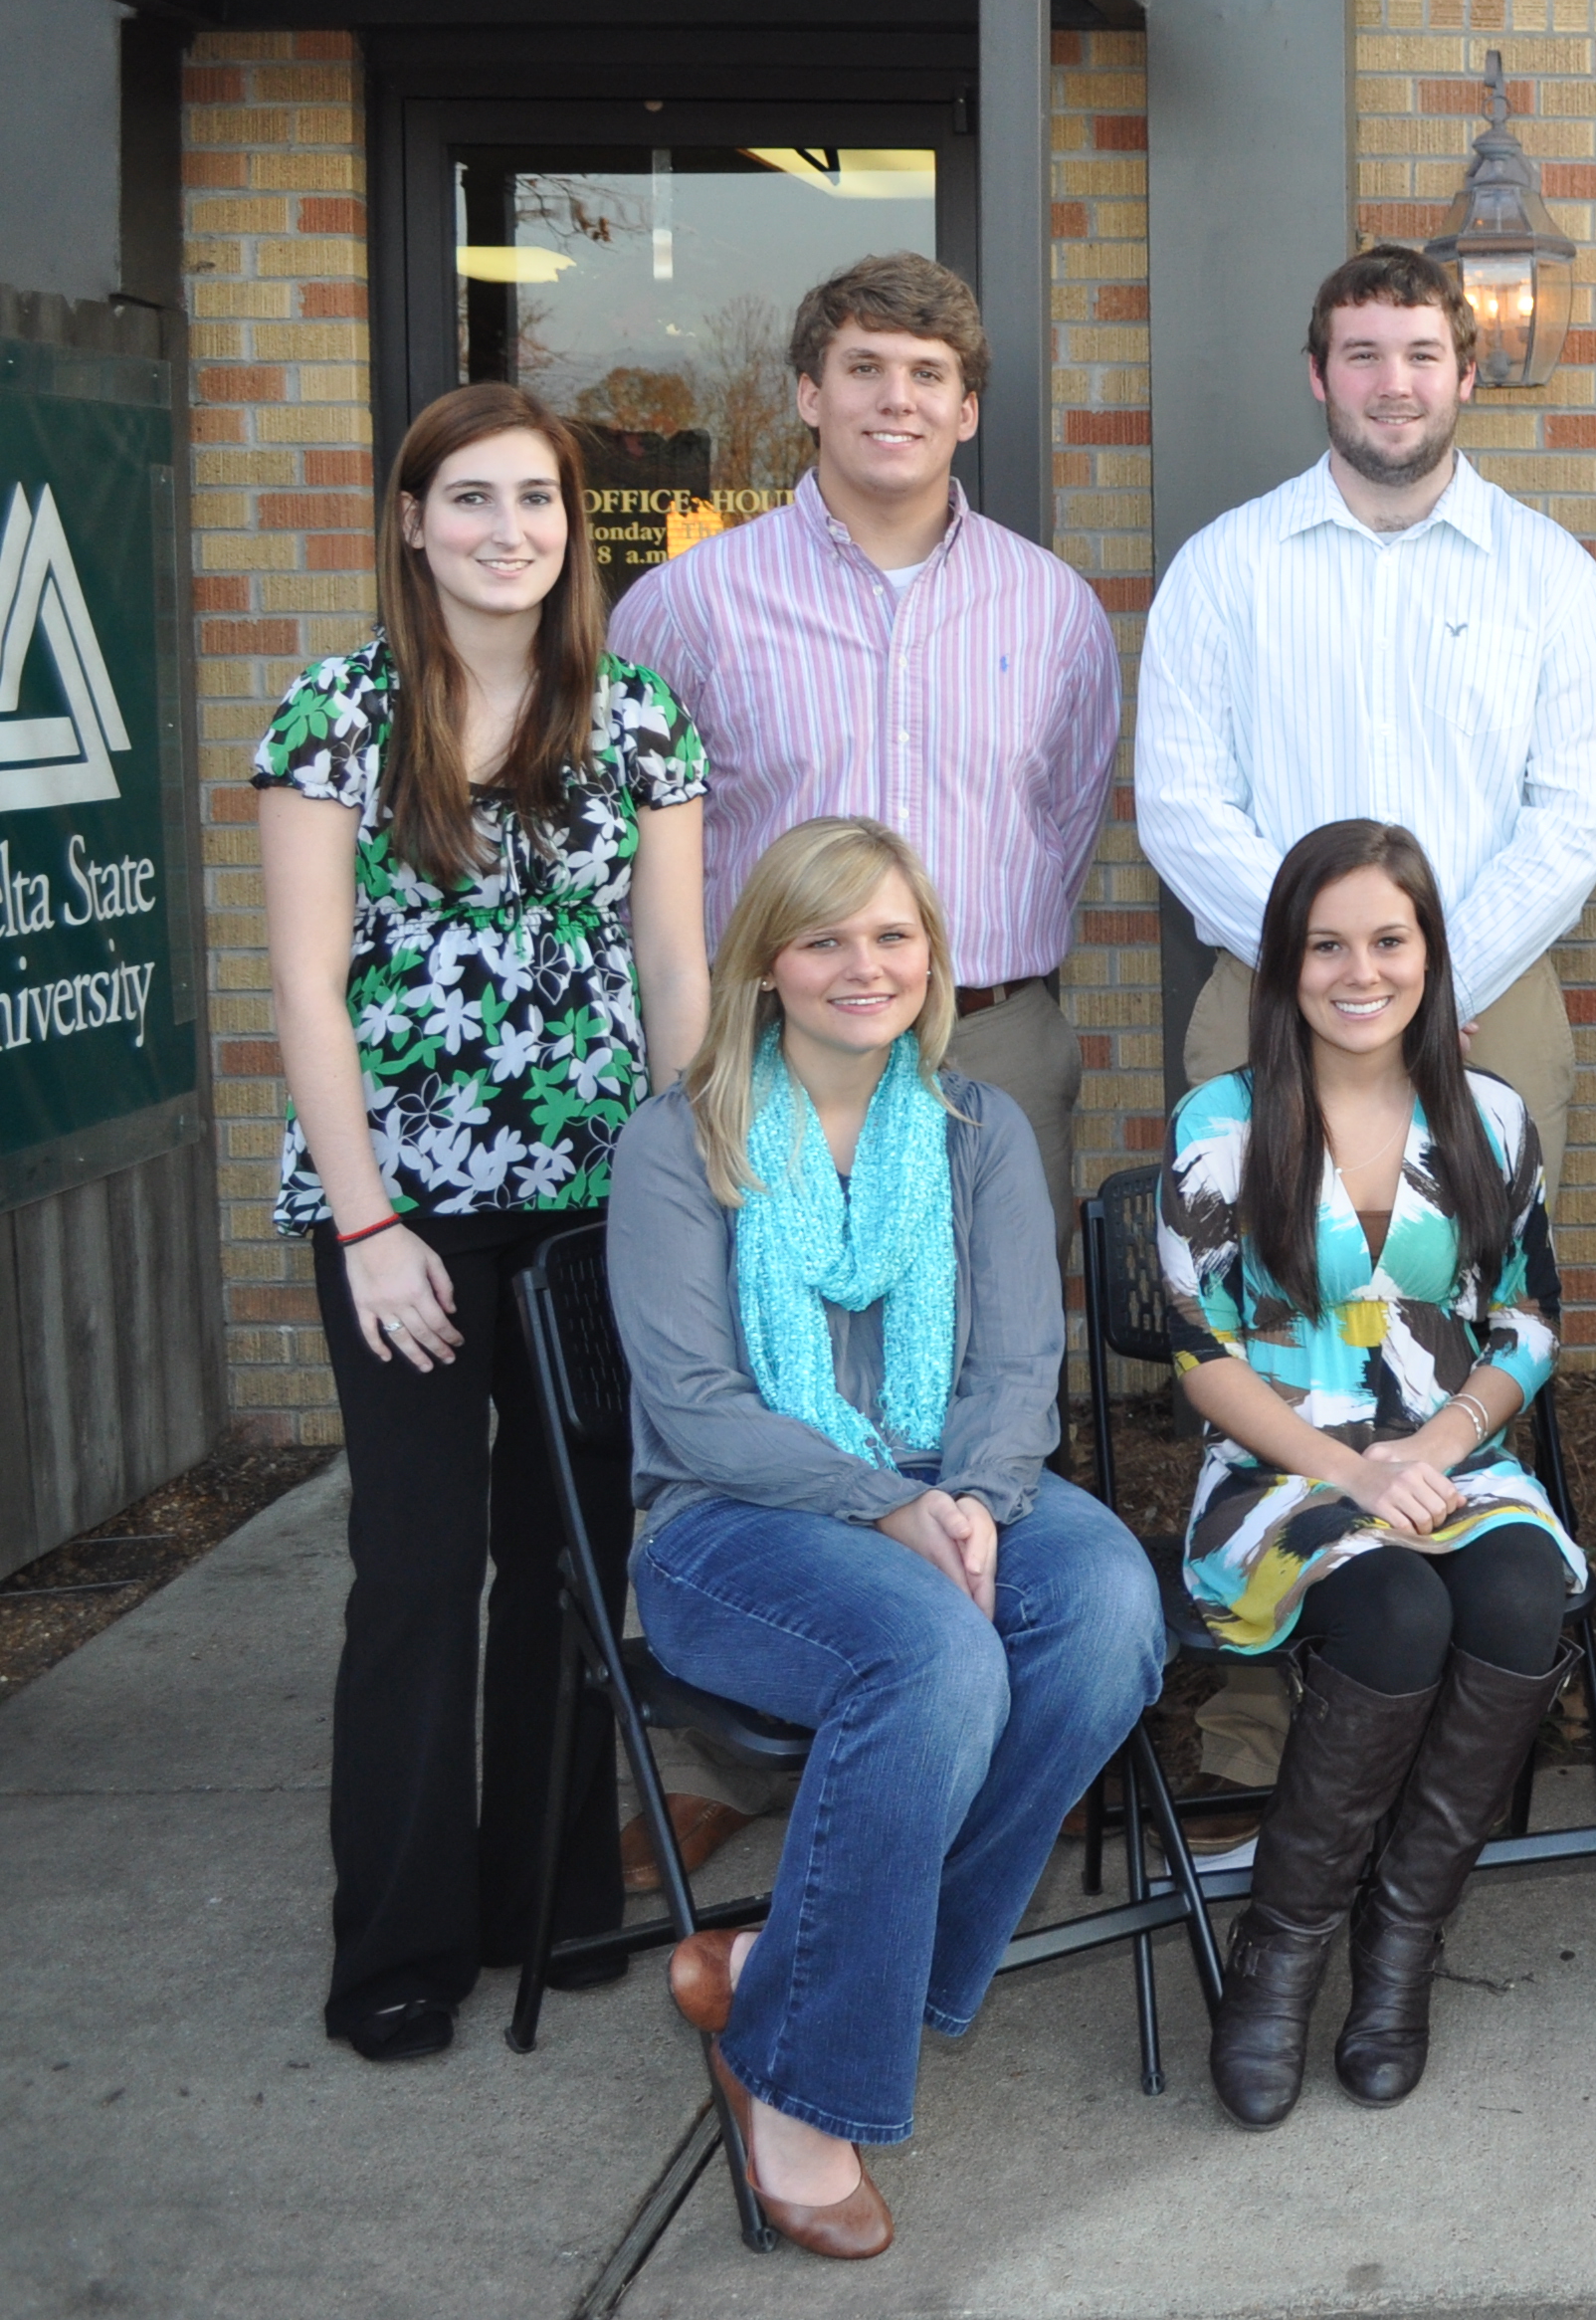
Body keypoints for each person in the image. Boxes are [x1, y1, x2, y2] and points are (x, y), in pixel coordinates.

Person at [611, 251, 1119, 1888]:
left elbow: (1066, 811)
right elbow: (647, 850)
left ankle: (932, 1759)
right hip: (745, 1049)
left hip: (989, 1027)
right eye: (865, 369)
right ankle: (783, 1749)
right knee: (753, 1371)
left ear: (969, 409)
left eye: (928, 375)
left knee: (981, 1351)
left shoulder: (1048, 605)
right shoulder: (689, 598)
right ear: (810, 392)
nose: (896, 400)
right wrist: (696, 1049)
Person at [612, 819, 1161, 2257]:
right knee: (936, 1658)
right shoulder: (682, 1141)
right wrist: (888, 1505)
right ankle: (801, 2080)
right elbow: (693, 1405)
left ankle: (797, 1974)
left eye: (894, 936)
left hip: (947, 1480)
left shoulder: (976, 1136)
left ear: (935, 959)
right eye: (826, 938)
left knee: (1105, 1606)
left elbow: (1012, 1363)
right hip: (734, 1528)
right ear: (765, 965)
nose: (866, 966)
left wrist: (968, 1493)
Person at [1136, 243, 1596, 1842]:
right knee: (1272, 1312)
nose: (1394, 382)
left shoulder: (1543, 566)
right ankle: (1278, 1685)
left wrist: (1429, 972)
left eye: (1423, 353)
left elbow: (1582, 802)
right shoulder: (1230, 564)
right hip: (1262, 998)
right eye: (1363, 353)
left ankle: (1483, 1660)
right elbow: (1181, 799)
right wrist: (1322, 968)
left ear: (1465, 374)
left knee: (1474, 1313)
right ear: (1317, 372)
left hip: (1497, 995)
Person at [255, 382, 708, 2064]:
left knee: (572, 1567)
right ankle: (397, 1931)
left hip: (593, 1209)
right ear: (411, 521)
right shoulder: (333, 714)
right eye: (471, 498)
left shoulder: (640, 715)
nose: (508, 527)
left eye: (536, 497)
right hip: (409, 1214)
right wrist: (368, 1222)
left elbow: (672, 969)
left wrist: (685, 1193)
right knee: (420, 1565)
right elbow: (304, 984)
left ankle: (545, 1893)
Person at [1161, 821, 1583, 2126]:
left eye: (1389, 941)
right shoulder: (1223, 1122)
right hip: (1277, 1458)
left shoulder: (1488, 1116)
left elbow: (1524, 1324)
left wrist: (1438, 1446)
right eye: (1328, 944)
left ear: (1429, 955)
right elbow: (1198, 1349)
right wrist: (1350, 1468)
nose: (1361, 971)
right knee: (1397, 1609)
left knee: (1516, 1598)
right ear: (1285, 961)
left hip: (1449, 1445)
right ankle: (1284, 1946)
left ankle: (1402, 1941)